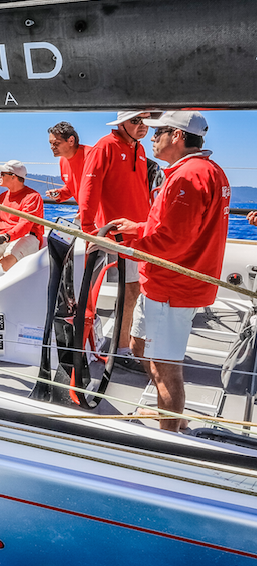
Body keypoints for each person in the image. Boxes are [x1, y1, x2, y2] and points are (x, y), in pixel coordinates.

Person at [107, 111, 230, 432]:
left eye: (159, 131)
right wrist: (137, 227)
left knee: (165, 368)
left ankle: (172, 435)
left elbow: (171, 243)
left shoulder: (188, 178)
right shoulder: (207, 171)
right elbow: (177, 229)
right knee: (138, 346)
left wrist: (124, 246)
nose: (152, 137)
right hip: (167, 284)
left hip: (172, 288)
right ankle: (170, 414)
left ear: (177, 136)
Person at [80, 109, 155, 356]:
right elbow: (89, 187)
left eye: (146, 121)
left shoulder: (140, 149)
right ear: (122, 123)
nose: (143, 126)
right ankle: (120, 349)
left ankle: (120, 344)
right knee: (129, 289)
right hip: (115, 234)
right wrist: (89, 229)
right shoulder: (105, 146)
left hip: (137, 234)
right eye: (136, 120)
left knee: (133, 289)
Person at [46, 121, 89, 227]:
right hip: (84, 212)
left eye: (56, 143)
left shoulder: (91, 156)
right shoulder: (63, 160)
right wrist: (59, 193)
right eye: (50, 143)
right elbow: (72, 187)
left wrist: (89, 211)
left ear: (71, 141)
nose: (52, 147)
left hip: (100, 213)